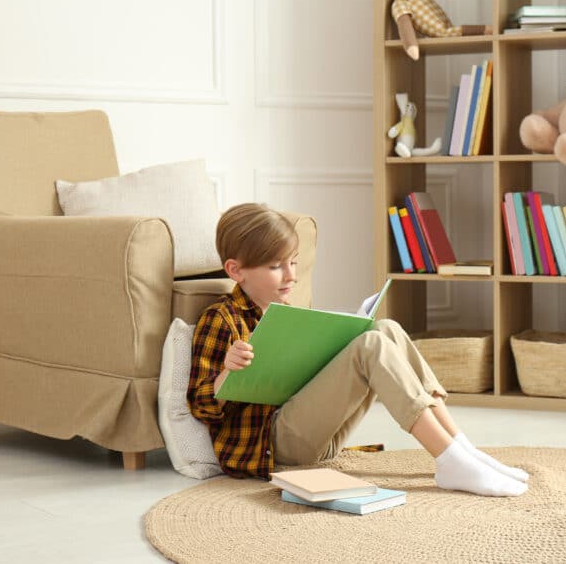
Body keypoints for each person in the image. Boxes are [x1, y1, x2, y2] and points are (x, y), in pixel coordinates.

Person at [187, 203, 528, 497]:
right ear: (236, 270)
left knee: (386, 328)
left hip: (319, 439)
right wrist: (228, 373)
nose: (291, 275)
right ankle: (450, 460)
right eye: (276, 267)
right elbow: (200, 405)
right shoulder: (221, 319)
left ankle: (461, 449)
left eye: (293, 262)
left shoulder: (287, 311)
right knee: (370, 345)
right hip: (270, 446)